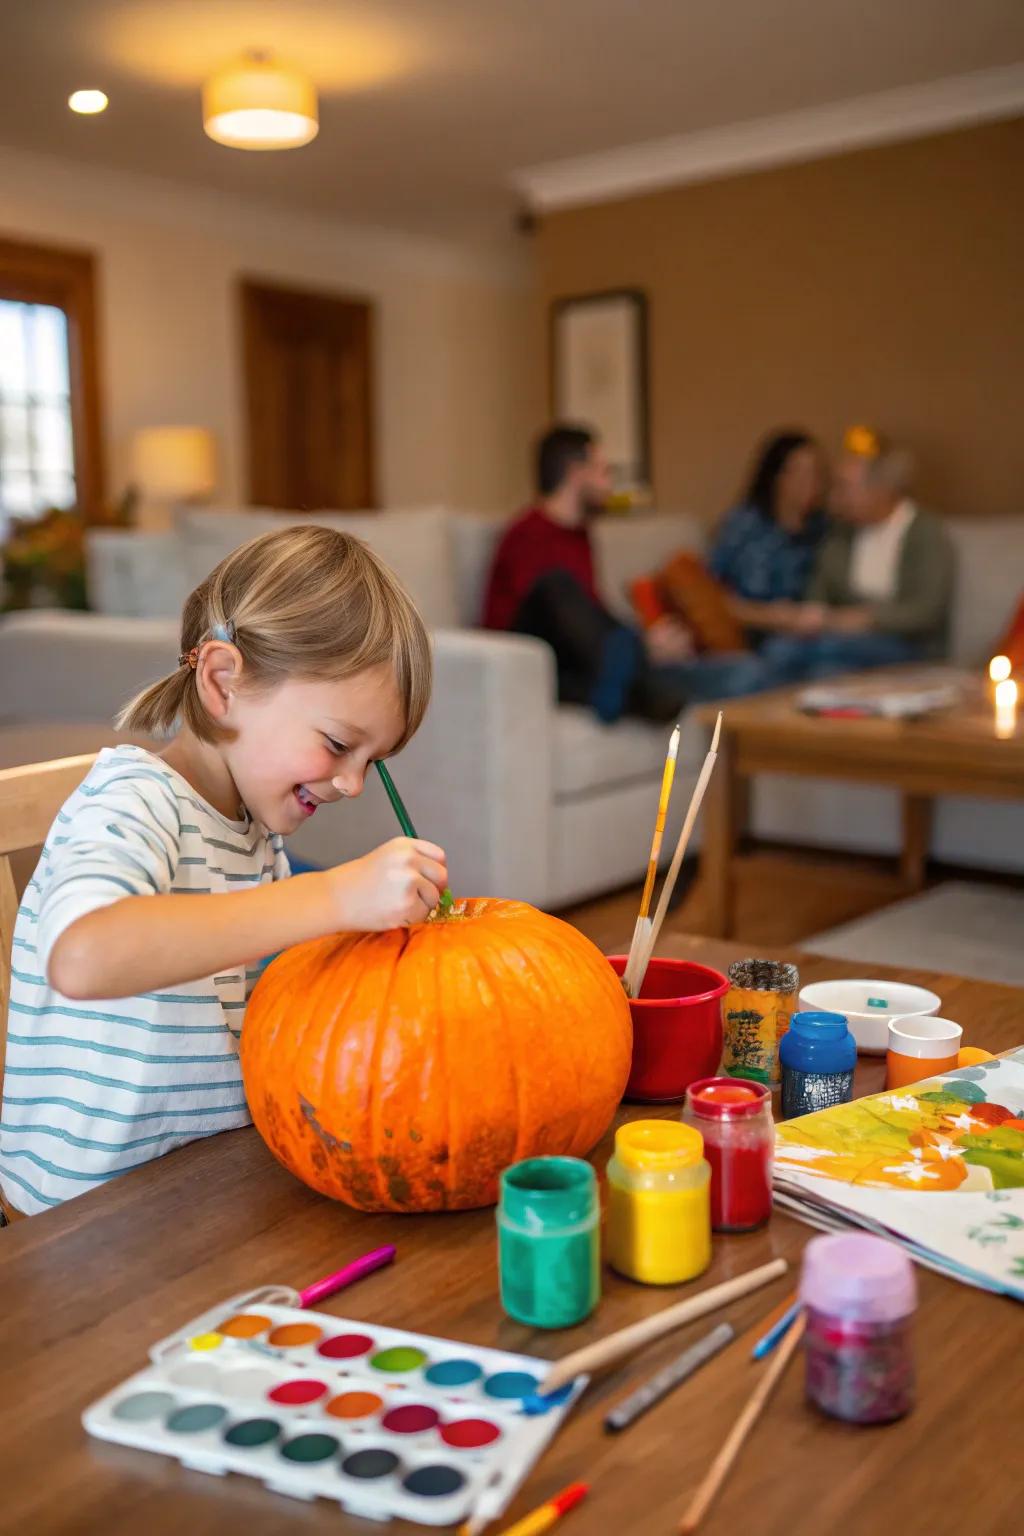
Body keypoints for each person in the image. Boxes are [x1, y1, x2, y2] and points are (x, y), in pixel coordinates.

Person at [0, 526, 446, 1217]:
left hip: (204, 1192)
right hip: (77, 1229)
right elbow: (82, 955)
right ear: (222, 682)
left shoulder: (252, 833)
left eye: (372, 761)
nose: (352, 783)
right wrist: (328, 895)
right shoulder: (133, 801)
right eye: (337, 744)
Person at [483, 424, 768, 722]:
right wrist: (639, 645)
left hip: (598, 666)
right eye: (604, 471)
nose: (611, 484)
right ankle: (635, 679)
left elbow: (593, 619)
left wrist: (653, 640)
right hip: (544, 661)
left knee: (744, 672)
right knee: (557, 585)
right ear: (576, 472)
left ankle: (635, 686)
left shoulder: (581, 537)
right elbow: (552, 624)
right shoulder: (527, 533)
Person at [759, 441, 955, 682]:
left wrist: (866, 619)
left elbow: (927, 610)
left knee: (787, 651)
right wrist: (811, 614)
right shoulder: (841, 531)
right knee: (819, 670)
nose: (834, 496)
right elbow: (819, 588)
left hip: (905, 645)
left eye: (845, 487)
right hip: (843, 640)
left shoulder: (925, 531)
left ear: (880, 489)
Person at [709, 430, 828, 642]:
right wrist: (771, 617)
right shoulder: (745, 525)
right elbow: (713, 594)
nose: (811, 482)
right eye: (800, 472)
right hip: (756, 632)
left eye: (816, 473)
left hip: (812, 631)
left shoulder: (823, 528)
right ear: (777, 477)